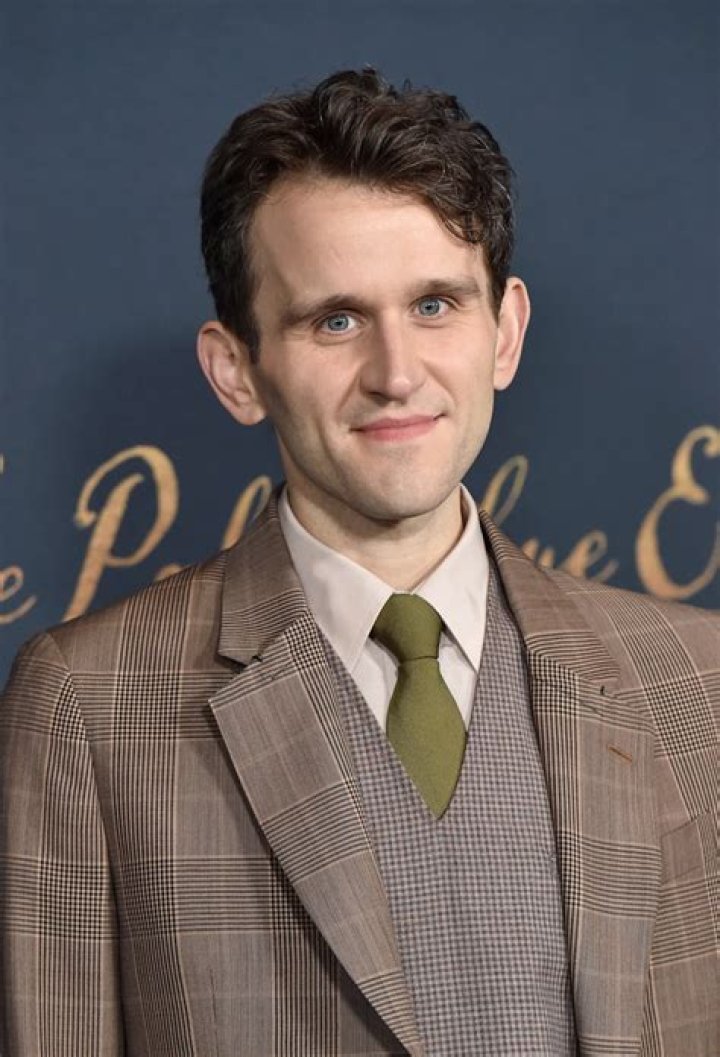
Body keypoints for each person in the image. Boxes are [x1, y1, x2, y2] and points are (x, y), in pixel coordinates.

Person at [0, 68, 717, 1057]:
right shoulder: (88, 707)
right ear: (238, 370)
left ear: (505, 332)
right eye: (334, 319)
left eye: (435, 305)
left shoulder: (698, 679)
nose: (396, 372)